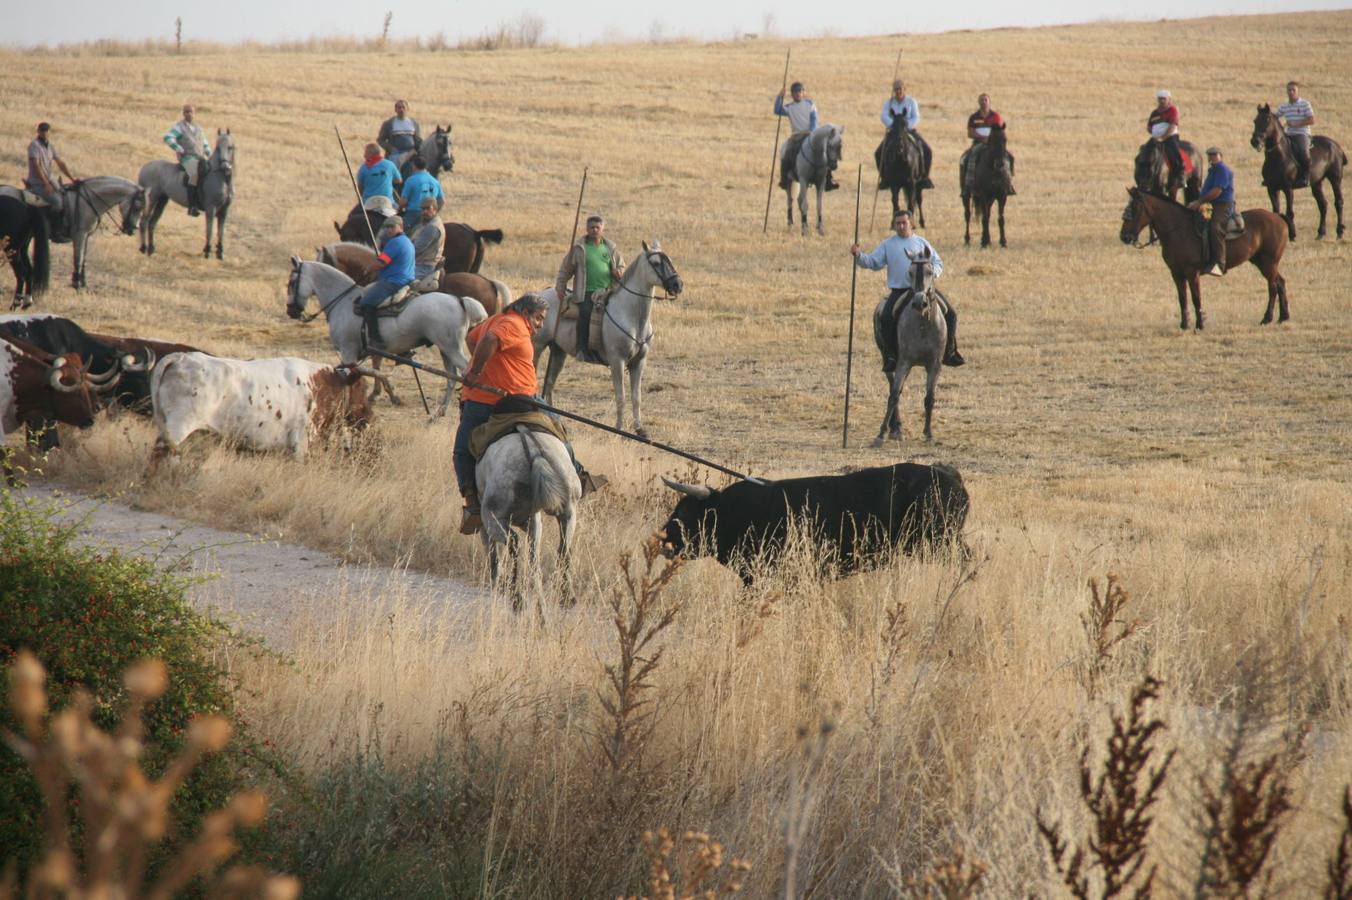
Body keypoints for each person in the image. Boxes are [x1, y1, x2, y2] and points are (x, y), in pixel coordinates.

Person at [454, 294, 605, 535]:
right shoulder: (512, 324)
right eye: (538, 318)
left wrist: (482, 366)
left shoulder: (496, 320)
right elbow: (489, 340)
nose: (540, 325)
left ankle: (472, 504)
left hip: (521, 396)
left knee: (556, 425)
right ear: (524, 312)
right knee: (462, 450)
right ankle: (578, 475)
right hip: (494, 400)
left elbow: (474, 339)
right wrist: (477, 371)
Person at [851, 208, 963, 370]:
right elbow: (873, 262)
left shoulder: (922, 243)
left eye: (904, 223)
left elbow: (938, 263)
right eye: (898, 223)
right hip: (900, 291)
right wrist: (859, 255)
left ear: (911, 224)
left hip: (925, 291)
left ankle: (949, 352)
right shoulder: (888, 245)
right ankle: (890, 356)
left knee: (951, 314)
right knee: (886, 318)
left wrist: (932, 274)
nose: (901, 226)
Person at [554, 214, 625, 363]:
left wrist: (618, 272)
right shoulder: (580, 248)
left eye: (597, 227)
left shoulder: (610, 247)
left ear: (602, 229)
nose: (594, 230)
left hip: (608, 291)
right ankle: (582, 350)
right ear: (587, 229)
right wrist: (560, 287)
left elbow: (621, 266)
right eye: (591, 227)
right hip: (586, 292)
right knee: (585, 313)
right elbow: (566, 269)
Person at [359, 217, 416, 348]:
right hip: (406, 279)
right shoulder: (407, 241)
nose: (389, 230)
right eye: (386, 227)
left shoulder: (395, 243)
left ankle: (376, 339)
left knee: (366, 303)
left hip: (394, 281)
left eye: (392, 226)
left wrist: (368, 270)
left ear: (400, 226)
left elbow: (381, 262)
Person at [775, 81, 838, 191]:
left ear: (803, 92)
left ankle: (828, 179)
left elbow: (814, 120)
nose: (798, 93)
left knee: (824, 152)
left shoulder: (810, 104)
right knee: (786, 153)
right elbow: (777, 110)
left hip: (811, 135)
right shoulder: (789, 107)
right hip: (797, 136)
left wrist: (812, 132)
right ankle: (784, 179)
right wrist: (779, 97)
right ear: (792, 94)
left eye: (800, 91)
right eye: (795, 92)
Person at [877, 79, 934, 189]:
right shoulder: (889, 103)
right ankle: (885, 178)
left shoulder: (911, 102)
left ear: (904, 89)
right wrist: (894, 126)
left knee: (927, 150)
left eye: (900, 89)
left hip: (909, 131)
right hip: (894, 132)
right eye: (896, 89)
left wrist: (906, 126)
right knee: (878, 153)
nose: (898, 91)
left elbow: (916, 117)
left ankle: (924, 176)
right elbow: (884, 116)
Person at [1188, 147, 1236, 277]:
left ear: (1221, 156)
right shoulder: (1213, 171)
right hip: (1211, 204)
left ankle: (1219, 264)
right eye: (1210, 155)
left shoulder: (1222, 170)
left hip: (1223, 205)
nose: (1212, 157)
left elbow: (1217, 191)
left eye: (1214, 154)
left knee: (1215, 226)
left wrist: (1199, 202)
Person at [25, 122, 76, 239]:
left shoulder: (50, 146)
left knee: (67, 198)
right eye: (42, 130)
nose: (44, 133)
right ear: (38, 131)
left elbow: (60, 163)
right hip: (37, 182)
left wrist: (72, 178)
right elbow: (36, 165)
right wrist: (46, 184)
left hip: (51, 181)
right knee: (57, 202)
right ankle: (54, 231)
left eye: (46, 130)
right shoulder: (34, 146)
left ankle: (65, 227)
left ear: (49, 132)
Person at [960, 93, 1015, 195]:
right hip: (978, 143)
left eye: (986, 100)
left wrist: (991, 139)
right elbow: (970, 132)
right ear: (979, 102)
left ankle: (1008, 183)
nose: (984, 102)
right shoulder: (974, 117)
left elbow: (1000, 131)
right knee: (969, 158)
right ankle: (968, 185)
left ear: (989, 102)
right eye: (982, 100)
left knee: (1010, 157)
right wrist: (982, 138)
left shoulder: (995, 116)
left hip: (994, 144)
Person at [164, 104, 211, 217]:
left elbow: (204, 142)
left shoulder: (199, 128)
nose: (189, 114)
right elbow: (168, 137)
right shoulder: (179, 127)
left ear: (194, 113)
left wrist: (208, 151)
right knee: (193, 175)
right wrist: (178, 148)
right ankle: (192, 206)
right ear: (183, 113)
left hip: (200, 157)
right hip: (187, 158)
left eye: (191, 112)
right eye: (186, 112)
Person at [1277, 80, 1315, 187]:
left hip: (1302, 134)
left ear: (1298, 92)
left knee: (1303, 152)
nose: (1291, 92)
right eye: (1289, 90)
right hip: (1288, 134)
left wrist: (1295, 123)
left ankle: (1306, 177)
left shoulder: (1305, 104)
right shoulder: (1284, 106)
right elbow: (1276, 116)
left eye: (1293, 90)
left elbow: (1311, 120)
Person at [1147, 90, 1185, 180]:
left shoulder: (1172, 110)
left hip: (1170, 137)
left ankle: (1180, 174)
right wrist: (1154, 133)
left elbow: (1172, 127)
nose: (1162, 101)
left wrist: (1163, 138)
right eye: (1160, 99)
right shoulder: (1154, 112)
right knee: (1144, 151)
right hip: (1156, 138)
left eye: (1164, 99)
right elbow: (1149, 126)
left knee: (1175, 152)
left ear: (1169, 99)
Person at [398, 156, 443, 230]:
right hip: (430, 214)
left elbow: (403, 202)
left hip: (413, 214)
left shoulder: (411, 180)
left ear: (414, 166)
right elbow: (442, 201)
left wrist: (399, 210)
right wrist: (434, 211)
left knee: (401, 232)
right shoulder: (435, 181)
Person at [377, 99, 421, 171]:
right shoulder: (389, 123)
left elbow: (418, 140)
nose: (401, 110)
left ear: (407, 109)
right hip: (395, 156)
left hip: (411, 156)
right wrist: (390, 149)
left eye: (403, 107)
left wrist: (416, 150)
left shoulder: (414, 123)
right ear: (395, 109)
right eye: (399, 107)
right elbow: (380, 140)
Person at [410, 196, 445, 282]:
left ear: (435, 209)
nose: (424, 212)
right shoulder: (427, 224)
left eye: (428, 208)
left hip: (423, 267)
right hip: (419, 264)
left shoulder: (432, 228)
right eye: (422, 209)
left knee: (396, 280)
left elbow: (416, 249)